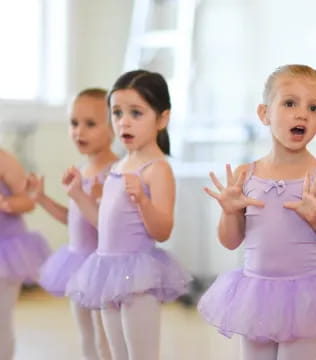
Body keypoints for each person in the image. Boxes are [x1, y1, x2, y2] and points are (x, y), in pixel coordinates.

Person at [198, 64, 316, 360]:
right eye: (290, 103)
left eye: (313, 108)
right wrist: (229, 212)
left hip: (305, 298)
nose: (302, 114)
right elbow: (230, 241)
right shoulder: (245, 174)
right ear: (264, 113)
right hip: (255, 295)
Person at [66, 70, 191, 360]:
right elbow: (103, 224)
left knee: (141, 354)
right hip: (107, 270)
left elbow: (163, 230)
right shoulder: (120, 166)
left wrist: (142, 202)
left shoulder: (157, 169)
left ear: (162, 119)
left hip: (138, 276)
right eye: (117, 113)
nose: (124, 121)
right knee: (115, 352)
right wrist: (78, 194)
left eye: (136, 113)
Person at [28, 88, 116, 359]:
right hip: (78, 264)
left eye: (90, 124)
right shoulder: (83, 168)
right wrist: (42, 199)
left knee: (105, 339)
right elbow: (75, 219)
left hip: (101, 267)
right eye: (74, 123)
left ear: (114, 127)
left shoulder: (113, 171)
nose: (79, 131)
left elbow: (108, 226)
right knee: (86, 336)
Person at [0, 148, 50, 360]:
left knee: (1, 319)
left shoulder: (5, 161)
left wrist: (4, 203)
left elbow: (28, 201)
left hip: (8, 252)